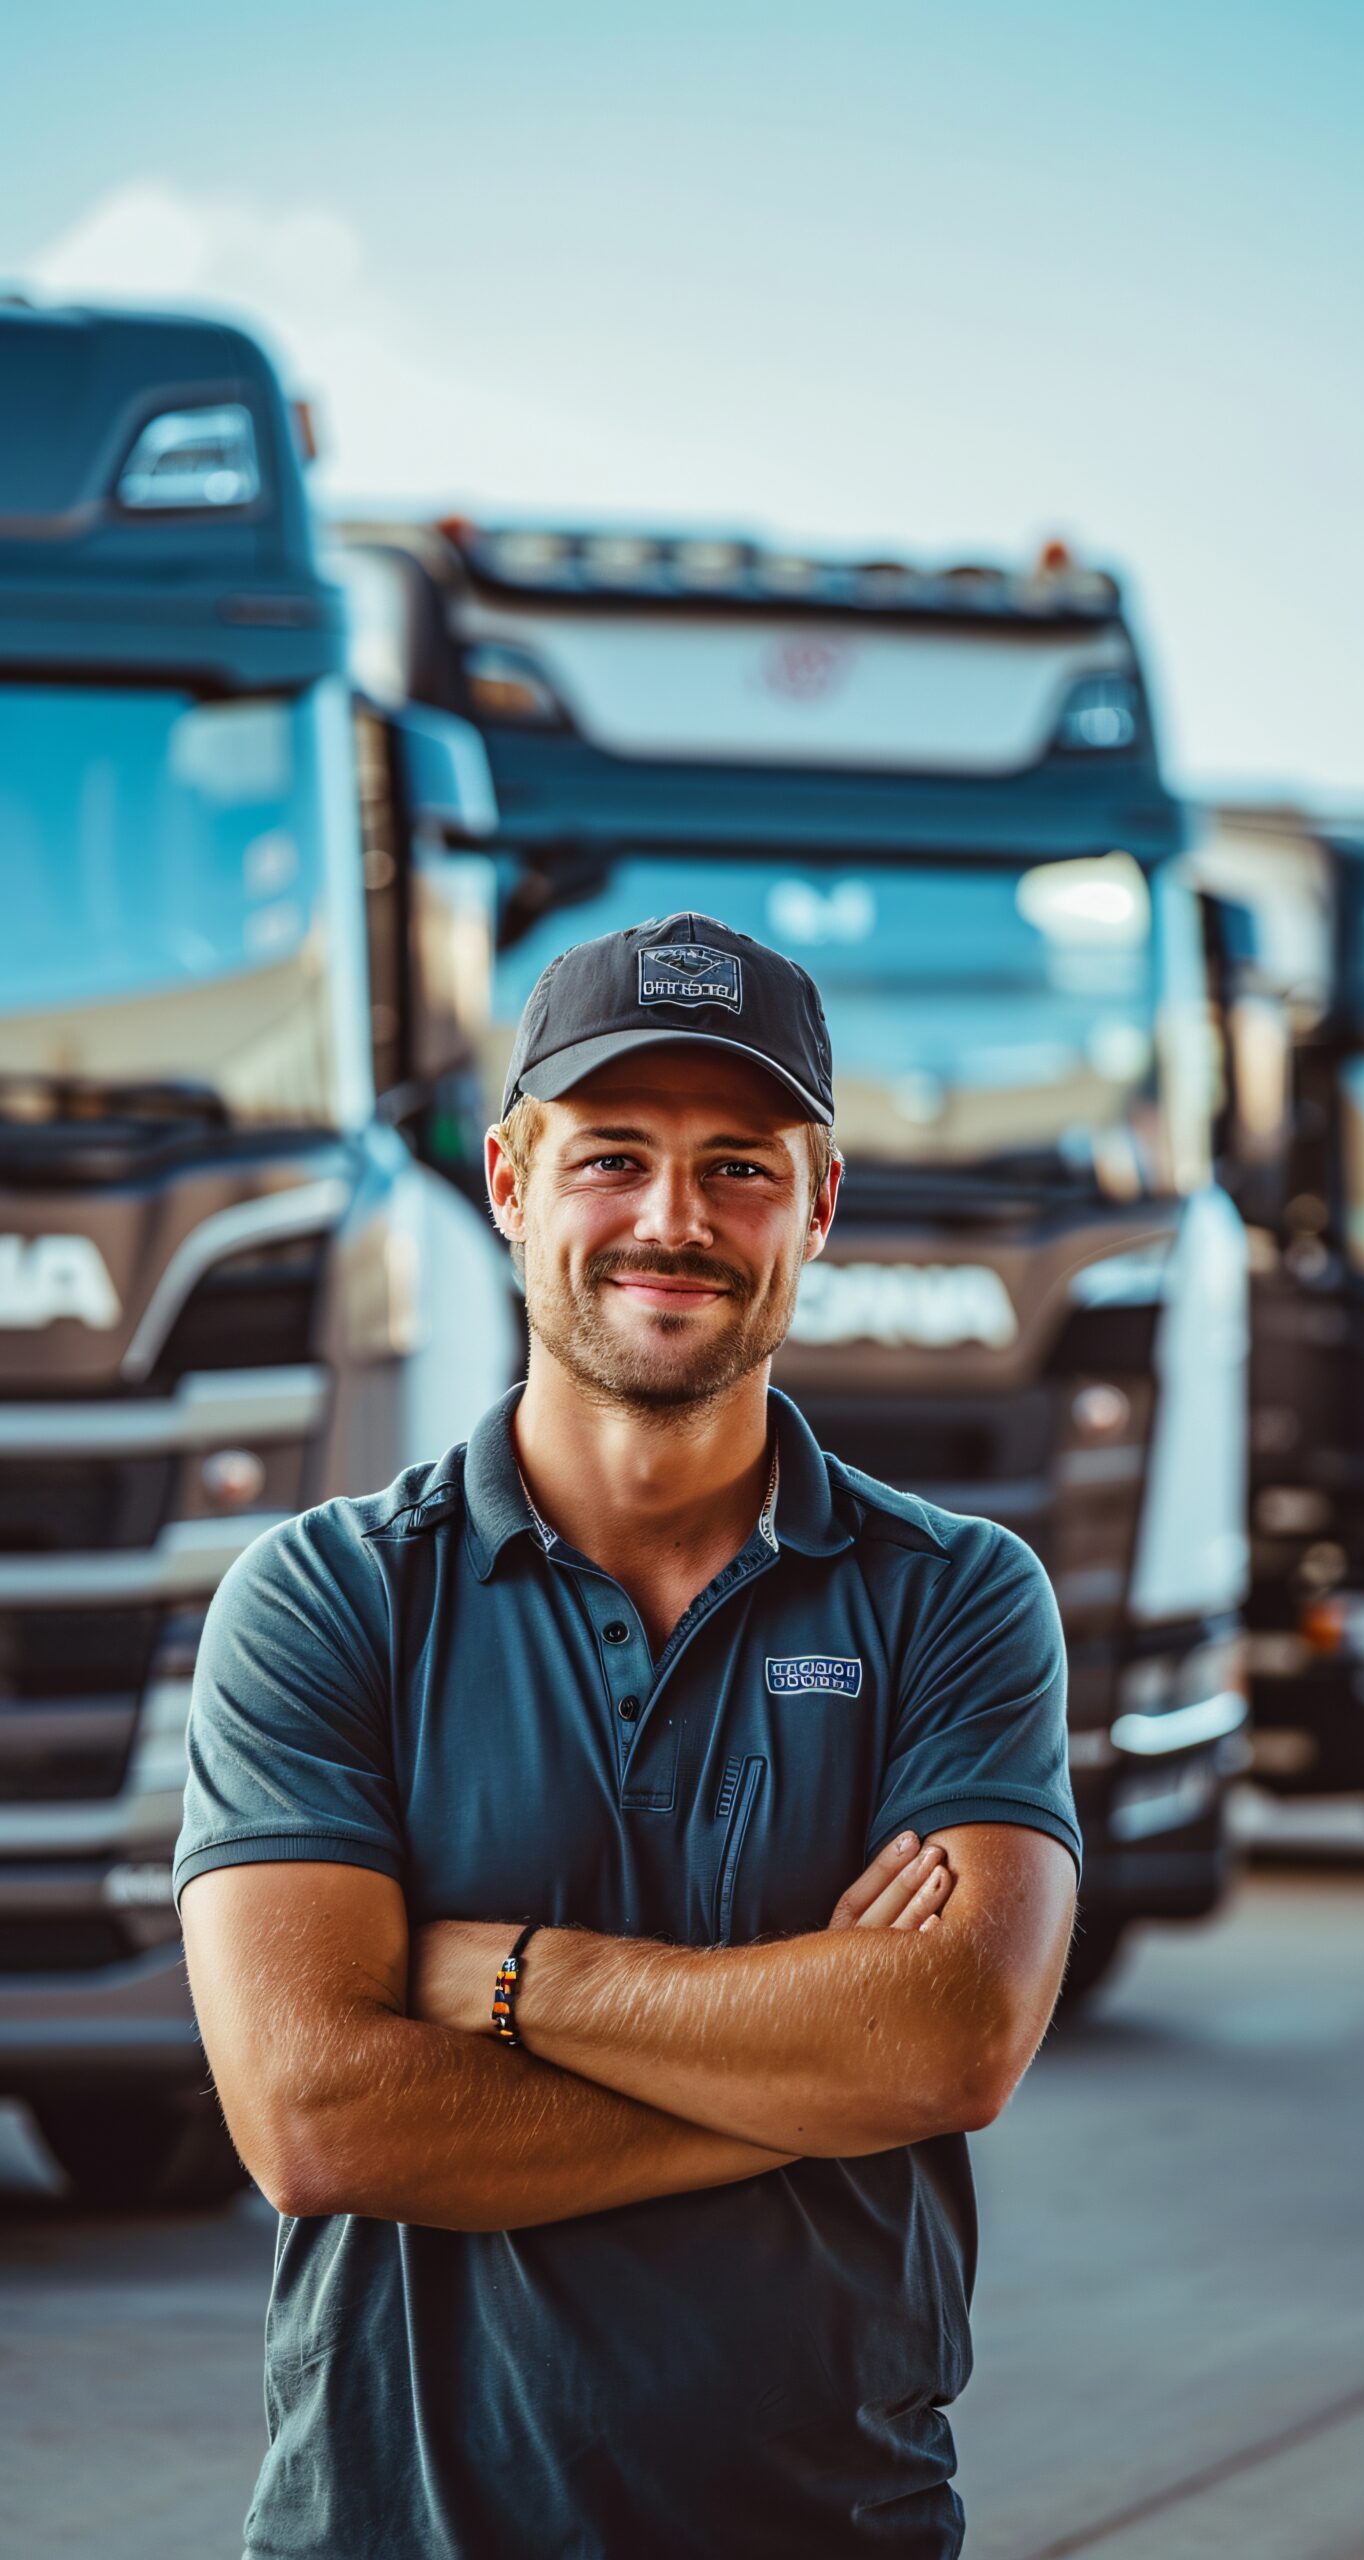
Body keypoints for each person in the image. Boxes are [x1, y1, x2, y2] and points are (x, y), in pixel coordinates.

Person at [176, 911, 1080, 2559]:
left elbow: (951, 2043)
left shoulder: (954, 1597)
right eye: (612, 1158)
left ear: (818, 1205)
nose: (673, 1222)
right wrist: (815, 2070)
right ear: (512, 1184)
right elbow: (321, 2120)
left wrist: (516, 1981)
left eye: (740, 1164)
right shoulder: (325, 1601)